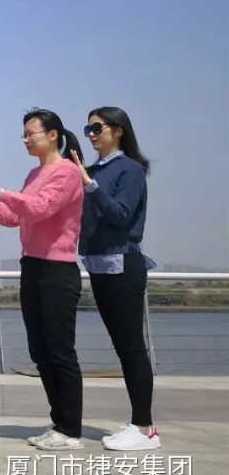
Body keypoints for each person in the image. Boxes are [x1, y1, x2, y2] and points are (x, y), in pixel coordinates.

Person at [0, 108, 85, 451]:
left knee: (60, 350)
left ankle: (70, 429)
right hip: (32, 267)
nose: (25, 139)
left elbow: (39, 208)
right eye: (23, 134)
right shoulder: (34, 173)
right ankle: (59, 422)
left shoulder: (67, 172)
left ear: (53, 135)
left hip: (58, 270)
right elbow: (15, 216)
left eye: (31, 133)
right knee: (39, 350)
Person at [71, 107, 159, 451]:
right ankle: (137, 424)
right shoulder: (93, 170)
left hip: (123, 264)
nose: (92, 134)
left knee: (132, 347)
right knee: (123, 347)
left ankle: (144, 428)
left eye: (97, 128)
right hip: (98, 265)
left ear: (118, 130)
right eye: (88, 129)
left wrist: (90, 185)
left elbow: (121, 215)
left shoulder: (130, 169)